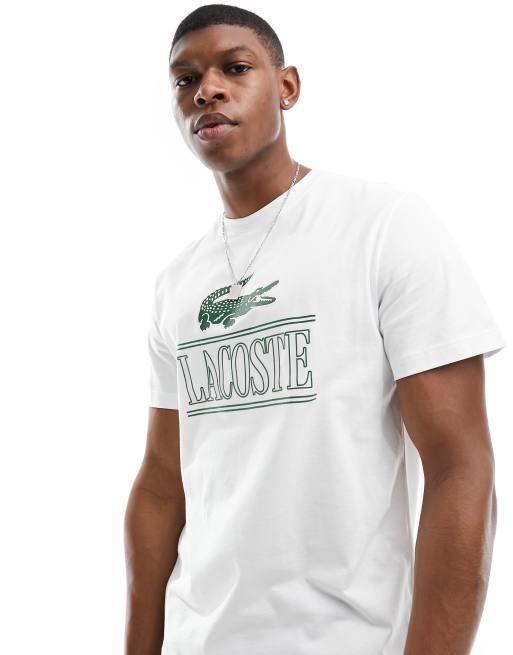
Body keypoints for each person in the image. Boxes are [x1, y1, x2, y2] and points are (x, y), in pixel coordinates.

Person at [124, 4, 507, 654]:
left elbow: (460, 468)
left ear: (287, 86)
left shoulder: (383, 227)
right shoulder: (176, 284)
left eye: (234, 68)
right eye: (184, 79)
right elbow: (163, 485)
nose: (206, 90)